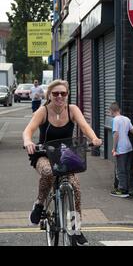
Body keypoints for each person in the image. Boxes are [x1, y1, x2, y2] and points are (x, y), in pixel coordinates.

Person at [22, 79, 102, 246]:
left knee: (76, 187)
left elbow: (85, 126)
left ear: (67, 95)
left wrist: (94, 138)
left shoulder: (72, 109)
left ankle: (75, 230)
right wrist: (28, 141)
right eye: (55, 93)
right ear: (49, 95)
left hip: (66, 155)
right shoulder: (43, 111)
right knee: (48, 172)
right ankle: (39, 204)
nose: (59, 96)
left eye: (63, 93)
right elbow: (28, 130)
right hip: (44, 154)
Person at [109, 102, 133, 198]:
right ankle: (127, 188)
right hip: (129, 147)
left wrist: (114, 148)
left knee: (121, 170)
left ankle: (122, 190)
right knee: (127, 169)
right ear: (119, 110)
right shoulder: (127, 119)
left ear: (111, 111)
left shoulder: (115, 120)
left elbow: (116, 134)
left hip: (121, 148)